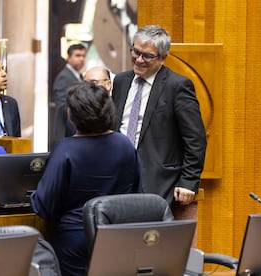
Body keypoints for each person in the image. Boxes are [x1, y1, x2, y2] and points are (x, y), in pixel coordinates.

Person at [31, 82, 142, 276]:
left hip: (75, 242)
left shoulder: (66, 149)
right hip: (118, 237)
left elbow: (44, 206)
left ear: (72, 115)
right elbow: (137, 194)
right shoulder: (124, 144)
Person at [111, 25, 207, 206]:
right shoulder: (121, 81)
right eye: (135, 51)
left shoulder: (178, 86)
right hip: (118, 175)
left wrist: (189, 181)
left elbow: (195, 138)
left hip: (157, 181)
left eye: (147, 56)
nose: (139, 59)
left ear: (163, 58)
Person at [50, 43, 87, 150]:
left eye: (83, 56)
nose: (81, 59)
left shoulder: (78, 75)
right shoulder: (64, 77)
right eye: (78, 55)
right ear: (69, 57)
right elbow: (62, 106)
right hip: (66, 132)